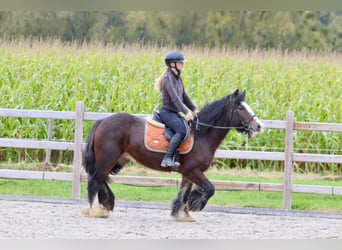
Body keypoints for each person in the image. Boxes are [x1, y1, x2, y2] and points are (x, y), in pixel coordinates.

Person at [155, 50, 199, 169]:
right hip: (167, 112)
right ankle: (167, 158)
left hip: (174, 113)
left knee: (187, 129)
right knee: (181, 130)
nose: (182, 64)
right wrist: (186, 112)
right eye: (180, 62)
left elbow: (184, 96)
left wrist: (194, 109)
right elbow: (175, 98)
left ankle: (176, 158)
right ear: (172, 64)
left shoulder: (178, 78)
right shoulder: (168, 78)